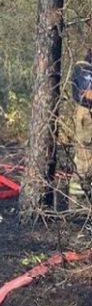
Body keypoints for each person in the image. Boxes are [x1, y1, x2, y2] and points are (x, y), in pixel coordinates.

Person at [69, 50, 92, 198]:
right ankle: (78, 202)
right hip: (87, 116)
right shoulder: (83, 69)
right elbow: (87, 95)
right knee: (85, 160)